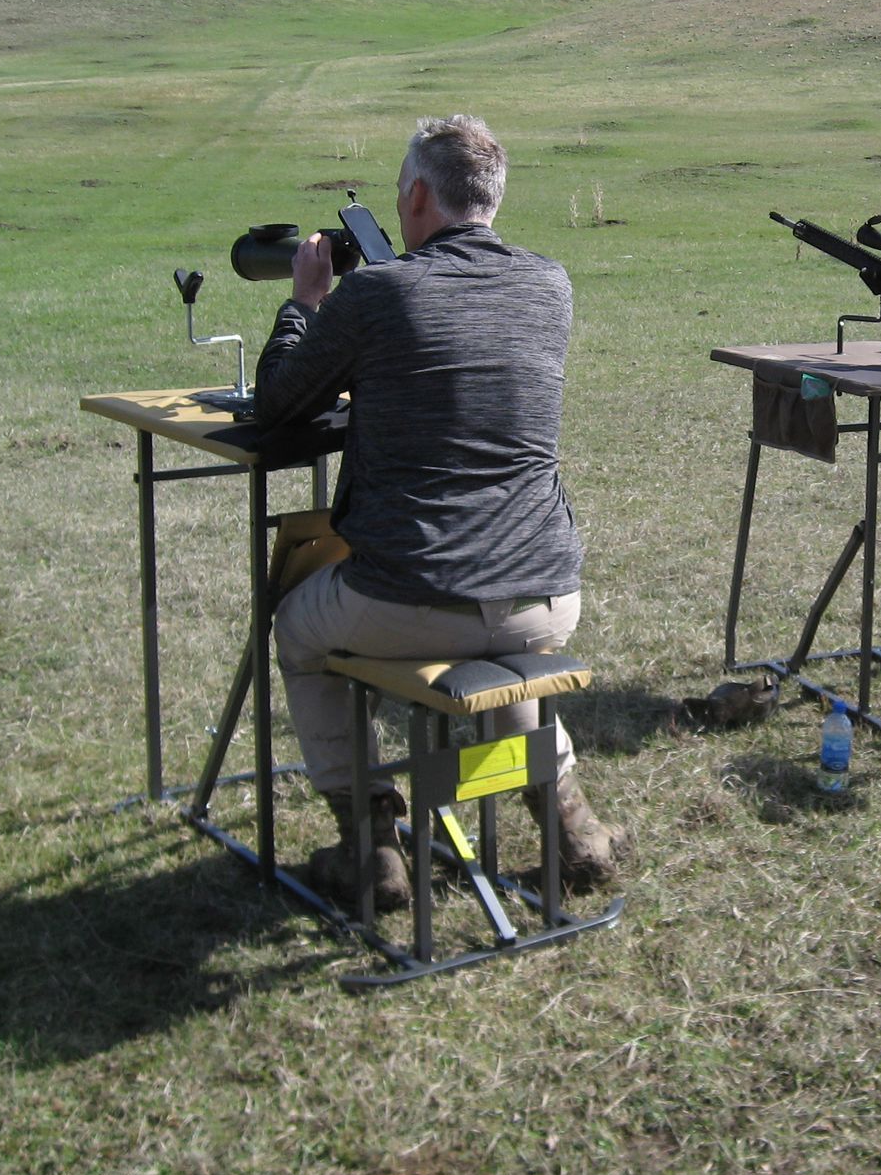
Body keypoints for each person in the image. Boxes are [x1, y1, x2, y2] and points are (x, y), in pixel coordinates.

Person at [254, 114, 629, 911]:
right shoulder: (550, 282)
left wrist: (304, 304)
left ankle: (372, 847)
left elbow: (280, 403)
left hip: (410, 598)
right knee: (503, 659)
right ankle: (574, 831)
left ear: (418, 195)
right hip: (547, 598)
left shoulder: (376, 292)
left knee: (296, 627)